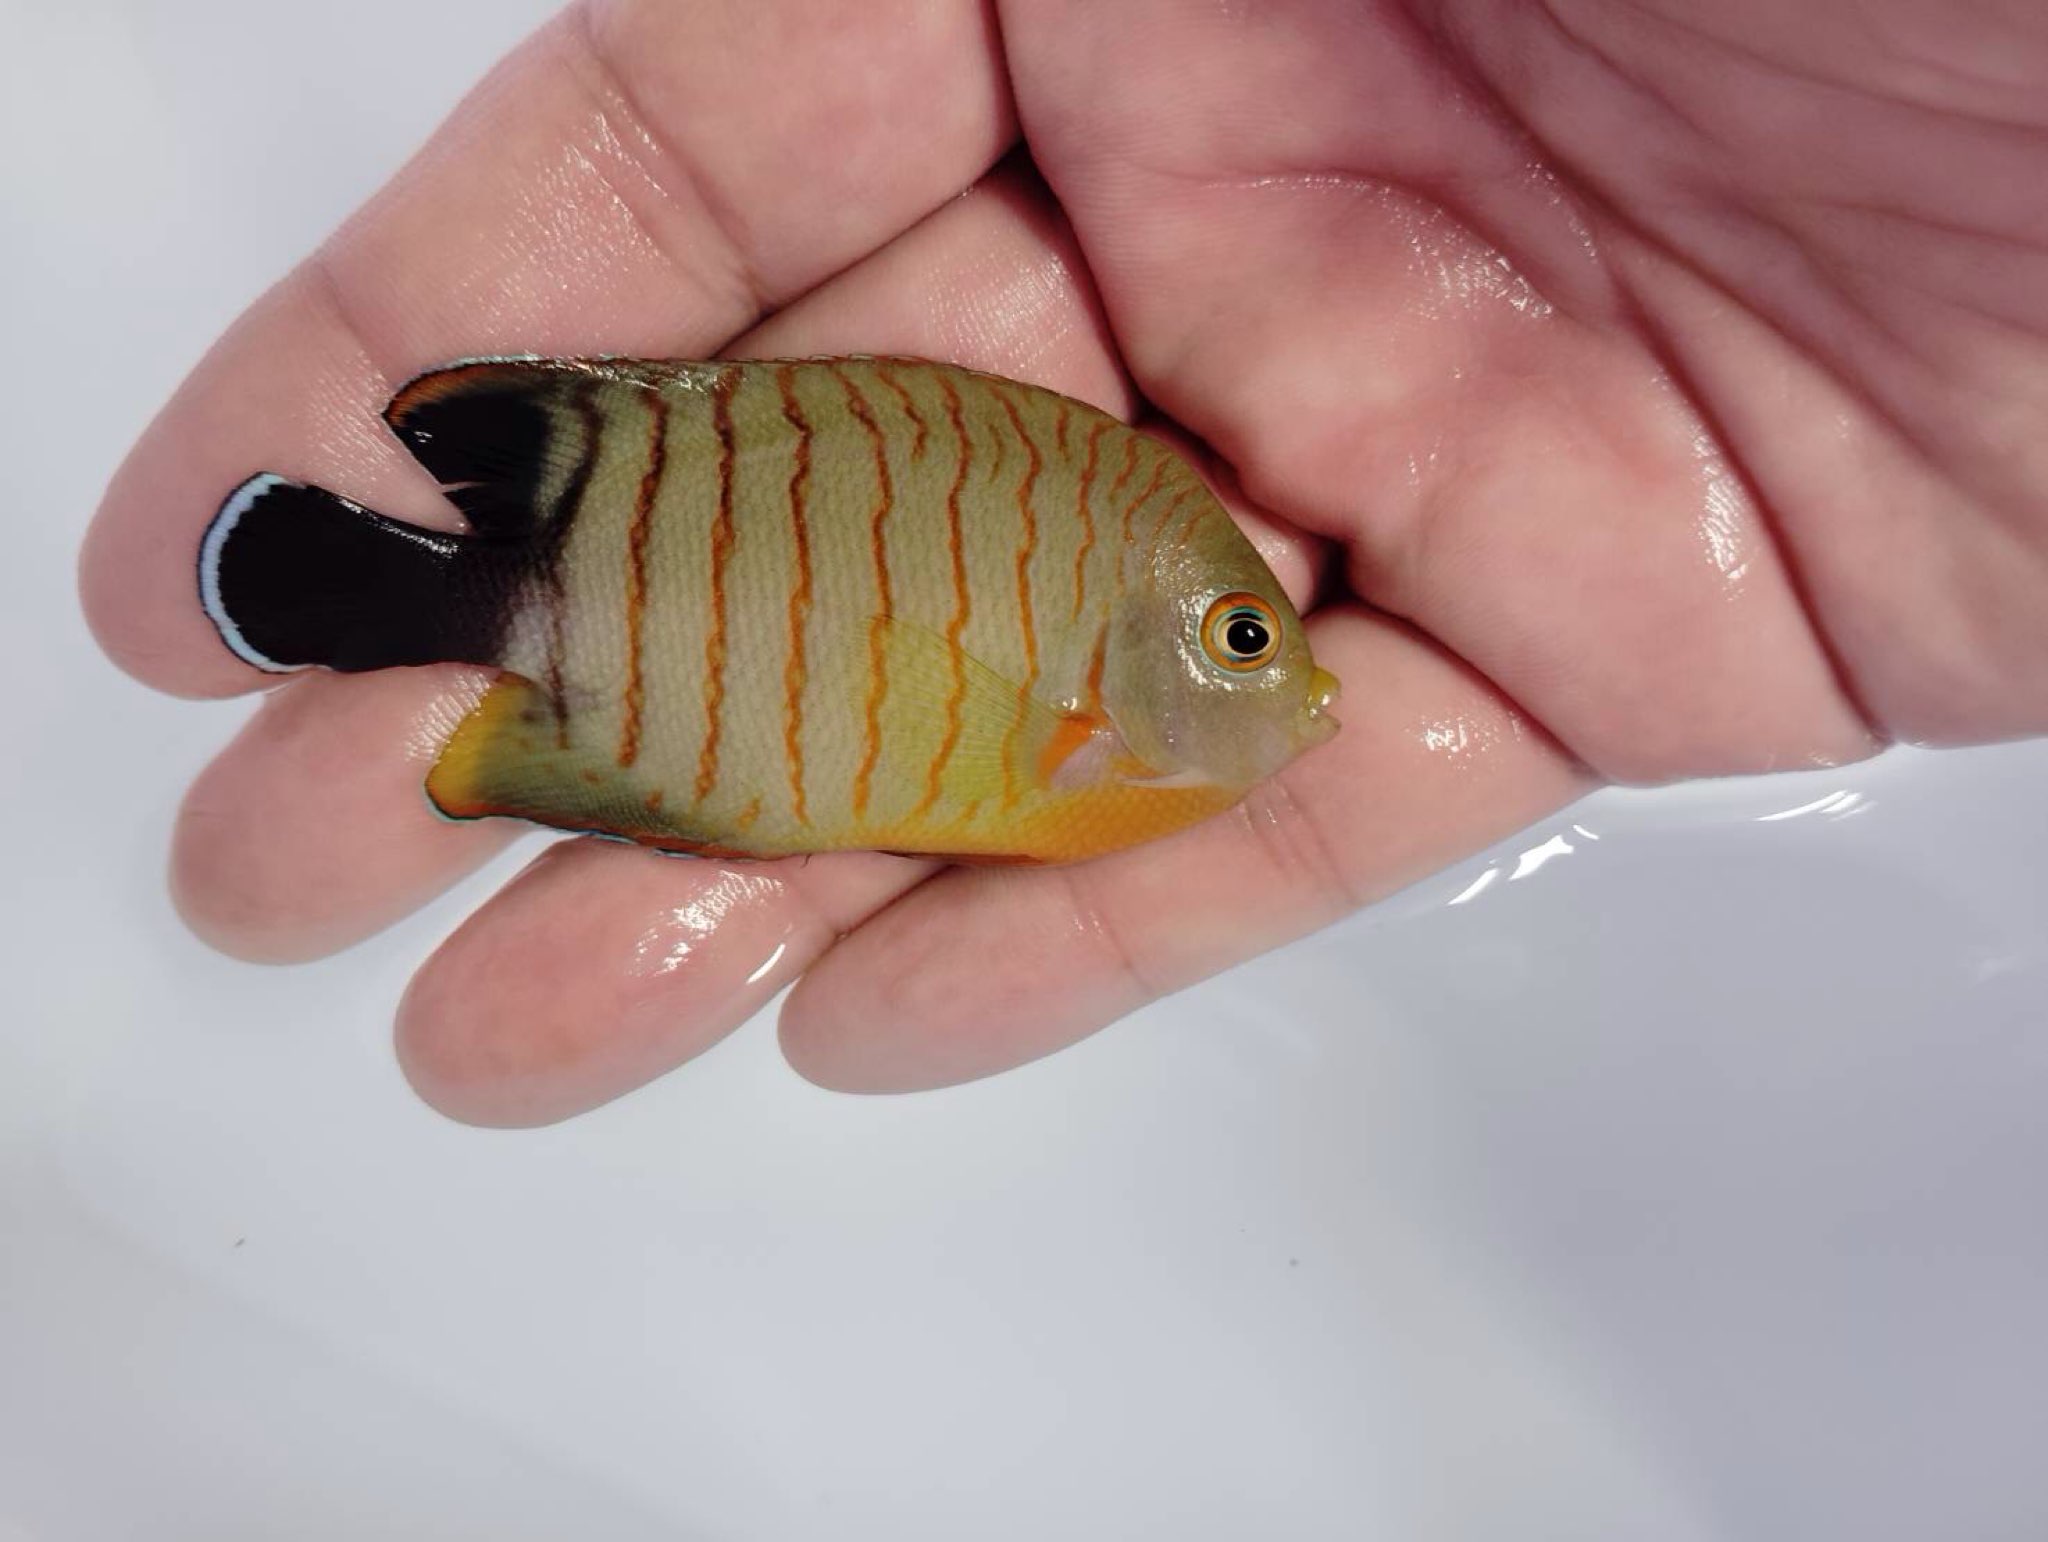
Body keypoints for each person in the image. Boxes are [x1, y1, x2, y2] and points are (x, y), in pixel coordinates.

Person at [79, 0, 2048, 1126]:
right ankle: (392, 592)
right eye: (1244, 639)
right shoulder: (1114, 745)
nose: (1295, 677)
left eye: (1252, 638)